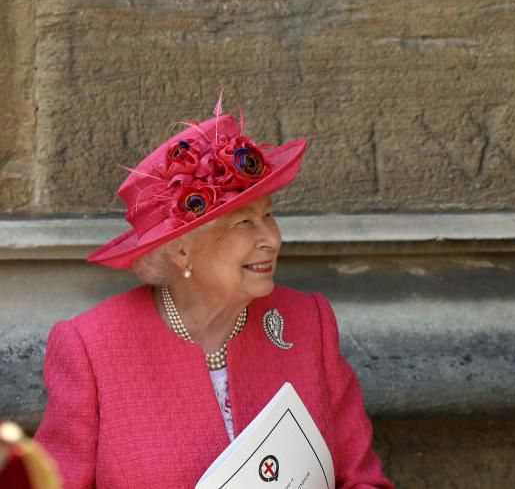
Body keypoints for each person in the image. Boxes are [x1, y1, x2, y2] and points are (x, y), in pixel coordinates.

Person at [35, 95, 393, 489]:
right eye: (243, 223)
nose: (271, 239)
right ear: (181, 247)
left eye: (268, 215)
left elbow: (362, 479)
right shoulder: (92, 348)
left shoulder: (308, 321)